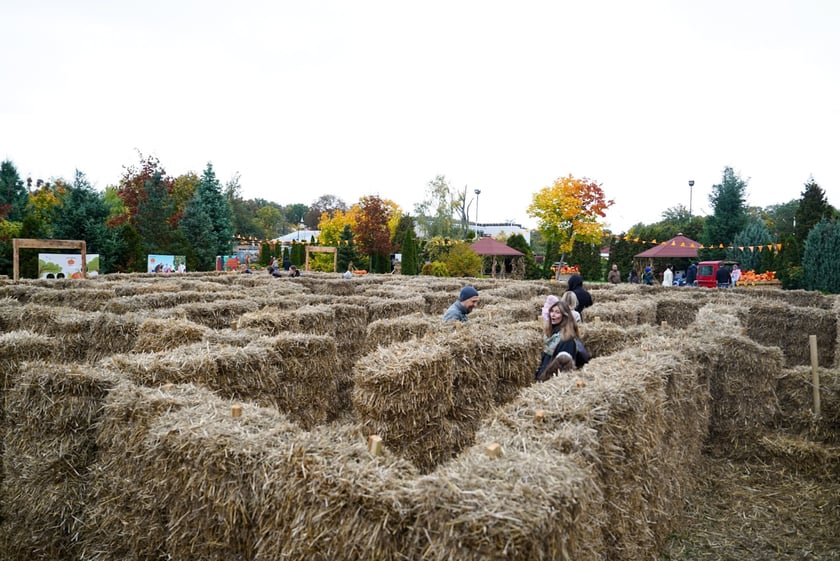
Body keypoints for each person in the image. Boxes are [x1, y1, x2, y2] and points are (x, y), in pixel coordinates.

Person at [535, 296, 579, 381]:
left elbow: (564, 368)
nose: (553, 315)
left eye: (557, 312)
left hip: (551, 381)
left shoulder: (567, 340)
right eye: (552, 311)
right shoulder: (549, 334)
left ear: (565, 316)